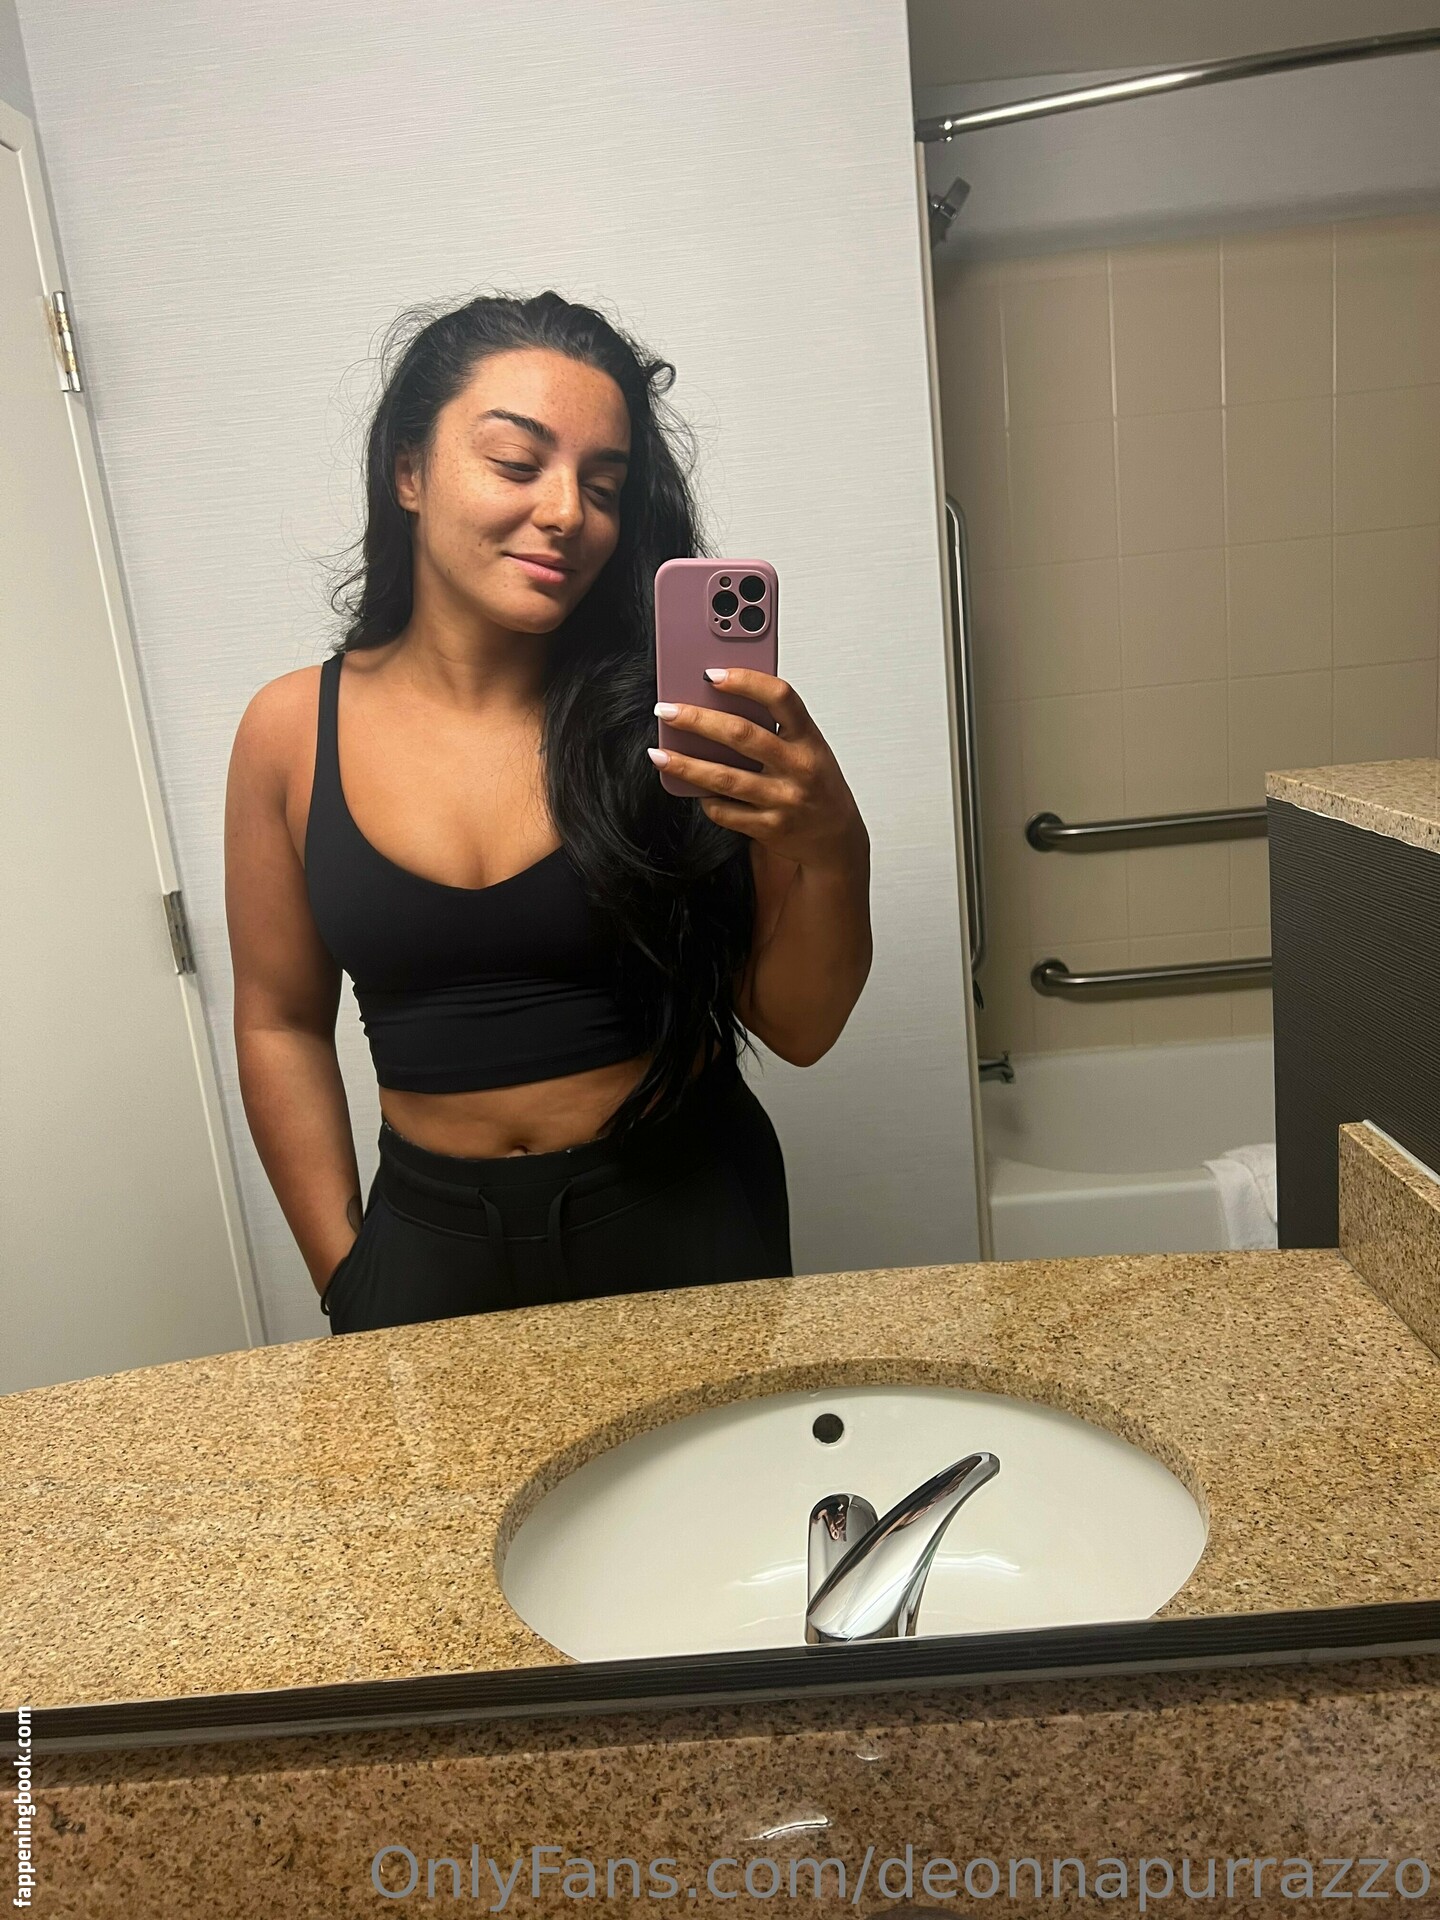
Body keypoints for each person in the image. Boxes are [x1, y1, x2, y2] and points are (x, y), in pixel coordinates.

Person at [224, 291, 871, 1336]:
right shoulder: (290, 731)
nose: (569, 511)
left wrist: (835, 849)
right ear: (408, 471)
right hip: (430, 1242)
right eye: (517, 463)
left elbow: (799, 1027)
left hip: (684, 1215)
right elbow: (277, 1020)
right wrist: (347, 1272)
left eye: (603, 486)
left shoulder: (675, 716)